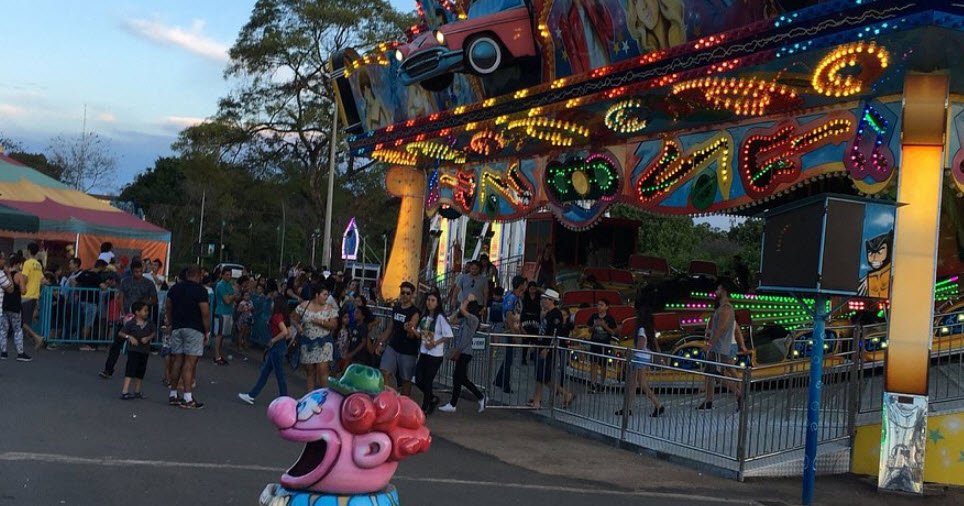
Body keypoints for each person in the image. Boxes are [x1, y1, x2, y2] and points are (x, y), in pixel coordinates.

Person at [101, 259, 158, 379]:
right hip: (127, 316)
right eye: (136, 272)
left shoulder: (149, 283)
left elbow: (154, 300)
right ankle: (108, 369)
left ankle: (135, 373)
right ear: (132, 271)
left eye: (140, 271)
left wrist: (144, 303)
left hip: (141, 317)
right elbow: (121, 298)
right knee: (117, 343)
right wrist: (122, 313)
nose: (138, 274)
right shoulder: (125, 282)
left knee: (139, 347)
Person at [165, 266, 211, 409]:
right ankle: (188, 397)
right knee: (190, 362)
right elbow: (205, 313)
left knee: (177, 359)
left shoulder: (175, 288)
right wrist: (207, 331)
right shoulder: (200, 290)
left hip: (177, 327)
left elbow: (168, 306)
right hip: (194, 328)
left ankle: (173, 394)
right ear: (198, 276)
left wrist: (171, 323)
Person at [698, 282, 748, 410]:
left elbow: (721, 328)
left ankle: (739, 394)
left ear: (724, 291)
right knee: (710, 372)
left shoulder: (726, 308)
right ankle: (709, 401)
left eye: (718, 289)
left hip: (721, 347)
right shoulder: (721, 308)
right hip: (717, 348)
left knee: (718, 374)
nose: (716, 291)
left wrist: (709, 344)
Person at [239, 295, 293, 404]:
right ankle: (252, 394)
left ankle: (284, 398)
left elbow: (285, 332)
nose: (271, 304)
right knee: (266, 373)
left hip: (276, 347)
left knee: (278, 375)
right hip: (280, 347)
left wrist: (273, 340)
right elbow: (288, 334)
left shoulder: (276, 316)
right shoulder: (283, 317)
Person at [438, 294, 485, 414]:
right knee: (458, 378)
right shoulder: (466, 320)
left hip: (465, 352)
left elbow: (462, 310)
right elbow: (452, 320)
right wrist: (460, 308)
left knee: (461, 378)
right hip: (461, 352)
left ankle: (480, 397)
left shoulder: (474, 319)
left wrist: (467, 300)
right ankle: (453, 404)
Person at [616, 307, 664, 417]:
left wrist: (630, 352)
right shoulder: (650, 329)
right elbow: (654, 345)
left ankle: (657, 405)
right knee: (636, 384)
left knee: (638, 384)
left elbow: (640, 346)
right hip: (644, 357)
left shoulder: (642, 330)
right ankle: (628, 408)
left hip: (639, 358)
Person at [377, 282, 421, 397]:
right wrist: (381, 343)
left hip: (408, 350)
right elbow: (389, 328)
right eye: (403, 292)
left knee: (406, 379)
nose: (405, 295)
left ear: (412, 295)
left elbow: (413, 332)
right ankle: (386, 397)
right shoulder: (396, 308)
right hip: (393, 345)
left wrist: (410, 329)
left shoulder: (415, 312)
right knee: (384, 371)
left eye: (408, 293)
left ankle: (405, 403)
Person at [293, 285, 338, 392]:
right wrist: (297, 326)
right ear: (317, 295)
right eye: (325, 294)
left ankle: (325, 397)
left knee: (322, 370)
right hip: (307, 341)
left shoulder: (329, 309)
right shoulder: (304, 305)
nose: (327, 297)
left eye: (327, 294)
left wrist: (320, 322)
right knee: (310, 371)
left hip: (323, 342)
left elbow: (334, 325)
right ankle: (311, 397)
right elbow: (293, 318)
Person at [414, 291, 453, 415]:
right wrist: (411, 330)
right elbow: (420, 333)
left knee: (428, 380)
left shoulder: (440, 317)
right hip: (424, 352)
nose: (429, 303)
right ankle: (431, 397)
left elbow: (448, 335)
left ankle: (425, 406)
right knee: (419, 379)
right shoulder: (425, 317)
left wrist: (435, 343)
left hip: (435, 354)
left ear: (437, 303)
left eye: (432, 300)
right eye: (428, 300)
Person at [530, 289, 565, 408]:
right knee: (543, 376)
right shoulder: (548, 314)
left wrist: (548, 348)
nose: (542, 301)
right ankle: (565, 394)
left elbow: (554, 333)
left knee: (542, 375)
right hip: (541, 346)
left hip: (547, 348)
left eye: (544, 299)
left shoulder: (556, 314)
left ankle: (537, 400)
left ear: (551, 300)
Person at [493, 275, 526, 393]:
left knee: (509, 358)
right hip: (509, 331)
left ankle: (499, 379)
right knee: (509, 358)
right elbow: (508, 315)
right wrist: (513, 332)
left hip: (513, 329)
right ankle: (504, 384)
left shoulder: (516, 297)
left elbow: (516, 315)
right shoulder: (511, 298)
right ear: (521, 285)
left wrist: (521, 331)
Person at [118, 302, 156, 400]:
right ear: (137, 312)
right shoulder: (131, 323)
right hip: (134, 350)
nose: (147, 313)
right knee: (130, 368)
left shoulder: (149, 322)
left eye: (147, 310)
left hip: (144, 350)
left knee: (141, 370)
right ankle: (125, 391)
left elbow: (153, 332)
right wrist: (129, 337)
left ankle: (137, 391)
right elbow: (121, 333)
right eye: (145, 311)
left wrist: (148, 338)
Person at [0, 254, 31, 361]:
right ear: (18, 264)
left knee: (3, 329)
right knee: (17, 329)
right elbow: (23, 291)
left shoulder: (4, 274)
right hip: (15, 306)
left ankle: (3, 352)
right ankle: (20, 353)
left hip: (4, 304)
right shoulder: (19, 275)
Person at [587, 299, 618, 393]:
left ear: (606, 307)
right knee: (593, 363)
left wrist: (605, 326)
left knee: (603, 365)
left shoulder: (610, 318)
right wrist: (594, 326)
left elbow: (613, 332)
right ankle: (593, 383)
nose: (599, 306)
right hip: (594, 343)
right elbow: (589, 330)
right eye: (598, 304)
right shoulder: (594, 316)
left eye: (601, 305)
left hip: (604, 344)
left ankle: (602, 383)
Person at [21, 242, 45, 350]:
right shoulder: (38, 264)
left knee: (20, 321)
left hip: (26, 295)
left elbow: (24, 279)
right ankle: (34, 338)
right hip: (35, 295)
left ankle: (37, 337)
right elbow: (42, 280)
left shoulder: (27, 263)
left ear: (29, 251)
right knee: (25, 321)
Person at [213, 269, 238, 365]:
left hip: (228, 312)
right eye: (227, 274)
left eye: (230, 275)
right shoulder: (221, 285)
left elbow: (232, 297)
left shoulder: (229, 285)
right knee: (219, 334)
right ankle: (217, 356)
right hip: (221, 312)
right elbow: (227, 300)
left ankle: (219, 354)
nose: (229, 276)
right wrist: (233, 296)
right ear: (222, 275)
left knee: (222, 335)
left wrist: (232, 296)